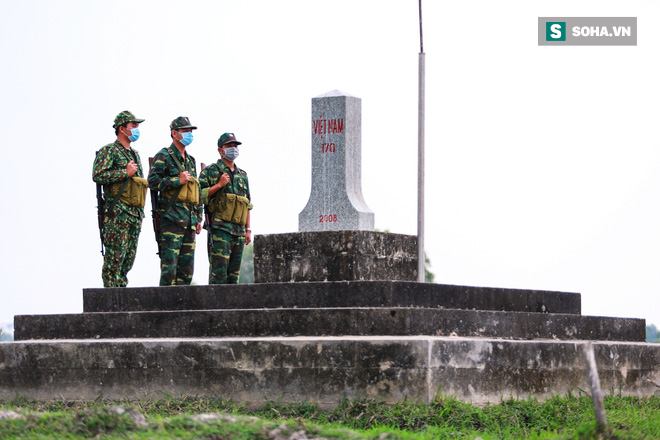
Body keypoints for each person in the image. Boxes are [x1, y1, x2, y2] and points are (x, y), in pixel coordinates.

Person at [92, 110, 148, 287]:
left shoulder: (135, 154)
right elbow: (98, 175)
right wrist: (124, 172)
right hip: (118, 214)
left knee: (128, 260)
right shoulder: (109, 151)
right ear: (122, 129)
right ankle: (110, 299)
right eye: (134, 126)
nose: (137, 129)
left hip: (134, 214)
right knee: (114, 260)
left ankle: (122, 295)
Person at [147, 116, 203, 286]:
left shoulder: (191, 160)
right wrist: (176, 181)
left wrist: (198, 217)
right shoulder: (164, 155)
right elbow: (152, 181)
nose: (189, 134)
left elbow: (196, 191)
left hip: (190, 221)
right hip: (171, 219)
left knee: (186, 271)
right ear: (174, 133)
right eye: (185, 131)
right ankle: (165, 309)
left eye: (190, 131)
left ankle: (183, 310)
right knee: (169, 269)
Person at [199, 132, 252, 284]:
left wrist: (248, 229)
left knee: (233, 277)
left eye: (235, 146)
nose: (233, 149)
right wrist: (219, 185)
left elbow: (247, 203)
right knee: (219, 274)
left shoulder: (243, 175)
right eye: (229, 146)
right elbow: (199, 196)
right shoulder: (210, 171)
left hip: (239, 232)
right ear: (220, 150)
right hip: (220, 229)